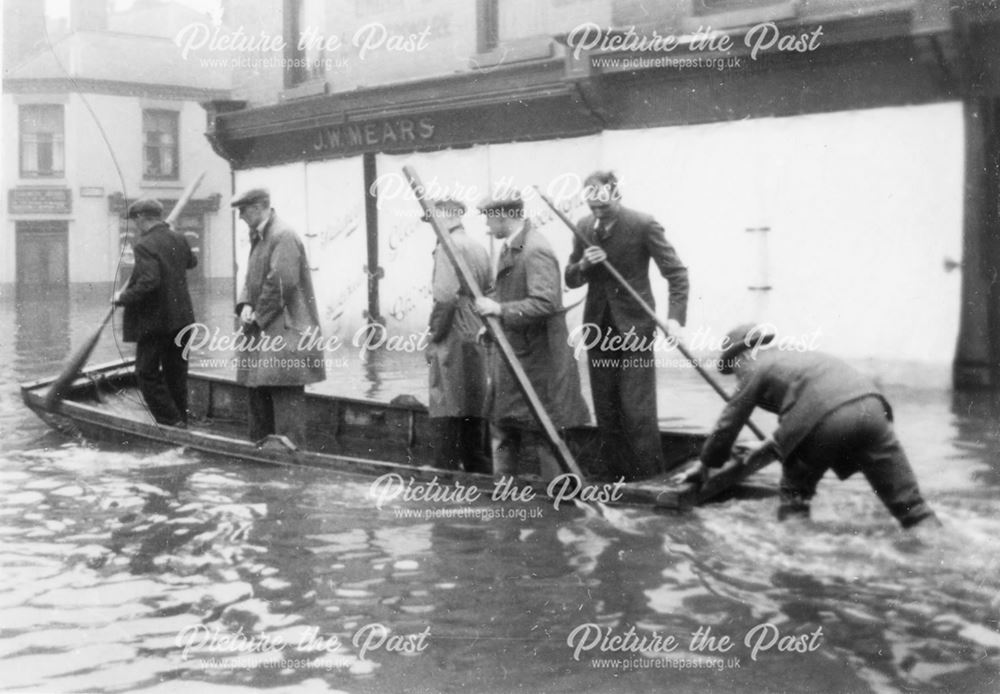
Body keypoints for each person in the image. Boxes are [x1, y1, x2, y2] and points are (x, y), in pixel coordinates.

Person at [675, 323, 939, 529]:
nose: (737, 375)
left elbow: (729, 421)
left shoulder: (754, 365)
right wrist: (772, 444)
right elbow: (815, 399)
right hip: (871, 407)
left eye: (733, 369)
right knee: (911, 507)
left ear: (741, 356)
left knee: (794, 498)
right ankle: (941, 553)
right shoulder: (795, 356)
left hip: (826, 420)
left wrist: (704, 465)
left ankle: (798, 563)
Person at [564, 171, 689, 480]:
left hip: (634, 330)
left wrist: (675, 320)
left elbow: (677, 274)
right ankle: (617, 480)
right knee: (606, 410)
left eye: (604, 206)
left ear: (616, 195)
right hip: (598, 330)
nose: (598, 212)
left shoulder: (642, 224)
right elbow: (570, 278)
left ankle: (650, 480)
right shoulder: (581, 227)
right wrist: (583, 265)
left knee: (636, 411)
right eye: (592, 207)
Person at [474, 192, 590, 481]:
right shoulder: (512, 247)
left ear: (503, 215)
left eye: (488, 217)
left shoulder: (534, 249)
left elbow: (546, 302)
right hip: (516, 353)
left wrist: (499, 309)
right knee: (503, 424)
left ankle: (556, 507)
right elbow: (513, 294)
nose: (486, 224)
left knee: (545, 429)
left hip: (538, 359)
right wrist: (491, 324)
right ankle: (507, 498)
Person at [232, 188, 325, 447]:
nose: (240, 216)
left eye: (244, 210)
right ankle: (261, 456)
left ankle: (289, 462)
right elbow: (252, 278)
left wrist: (256, 314)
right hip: (265, 330)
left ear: (261, 206)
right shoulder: (261, 236)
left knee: (285, 395)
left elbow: (281, 282)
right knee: (258, 391)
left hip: (285, 334)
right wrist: (245, 305)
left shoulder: (282, 235)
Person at [422, 198, 492, 473]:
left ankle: (444, 469)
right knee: (473, 400)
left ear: (445, 217)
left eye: (432, 220)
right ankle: (479, 469)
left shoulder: (446, 247)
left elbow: (444, 299)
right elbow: (488, 288)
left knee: (445, 398)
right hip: (475, 329)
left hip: (453, 331)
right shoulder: (477, 247)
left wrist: (434, 336)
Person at [114, 198, 197, 427]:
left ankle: (170, 422)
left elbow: (150, 281)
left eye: (135, 220)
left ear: (142, 218)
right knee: (176, 374)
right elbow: (192, 262)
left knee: (146, 373)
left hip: (156, 322)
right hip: (183, 321)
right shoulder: (178, 238)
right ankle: (181, 421)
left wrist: (122, 298)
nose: (135, 225)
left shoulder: (144, 244)